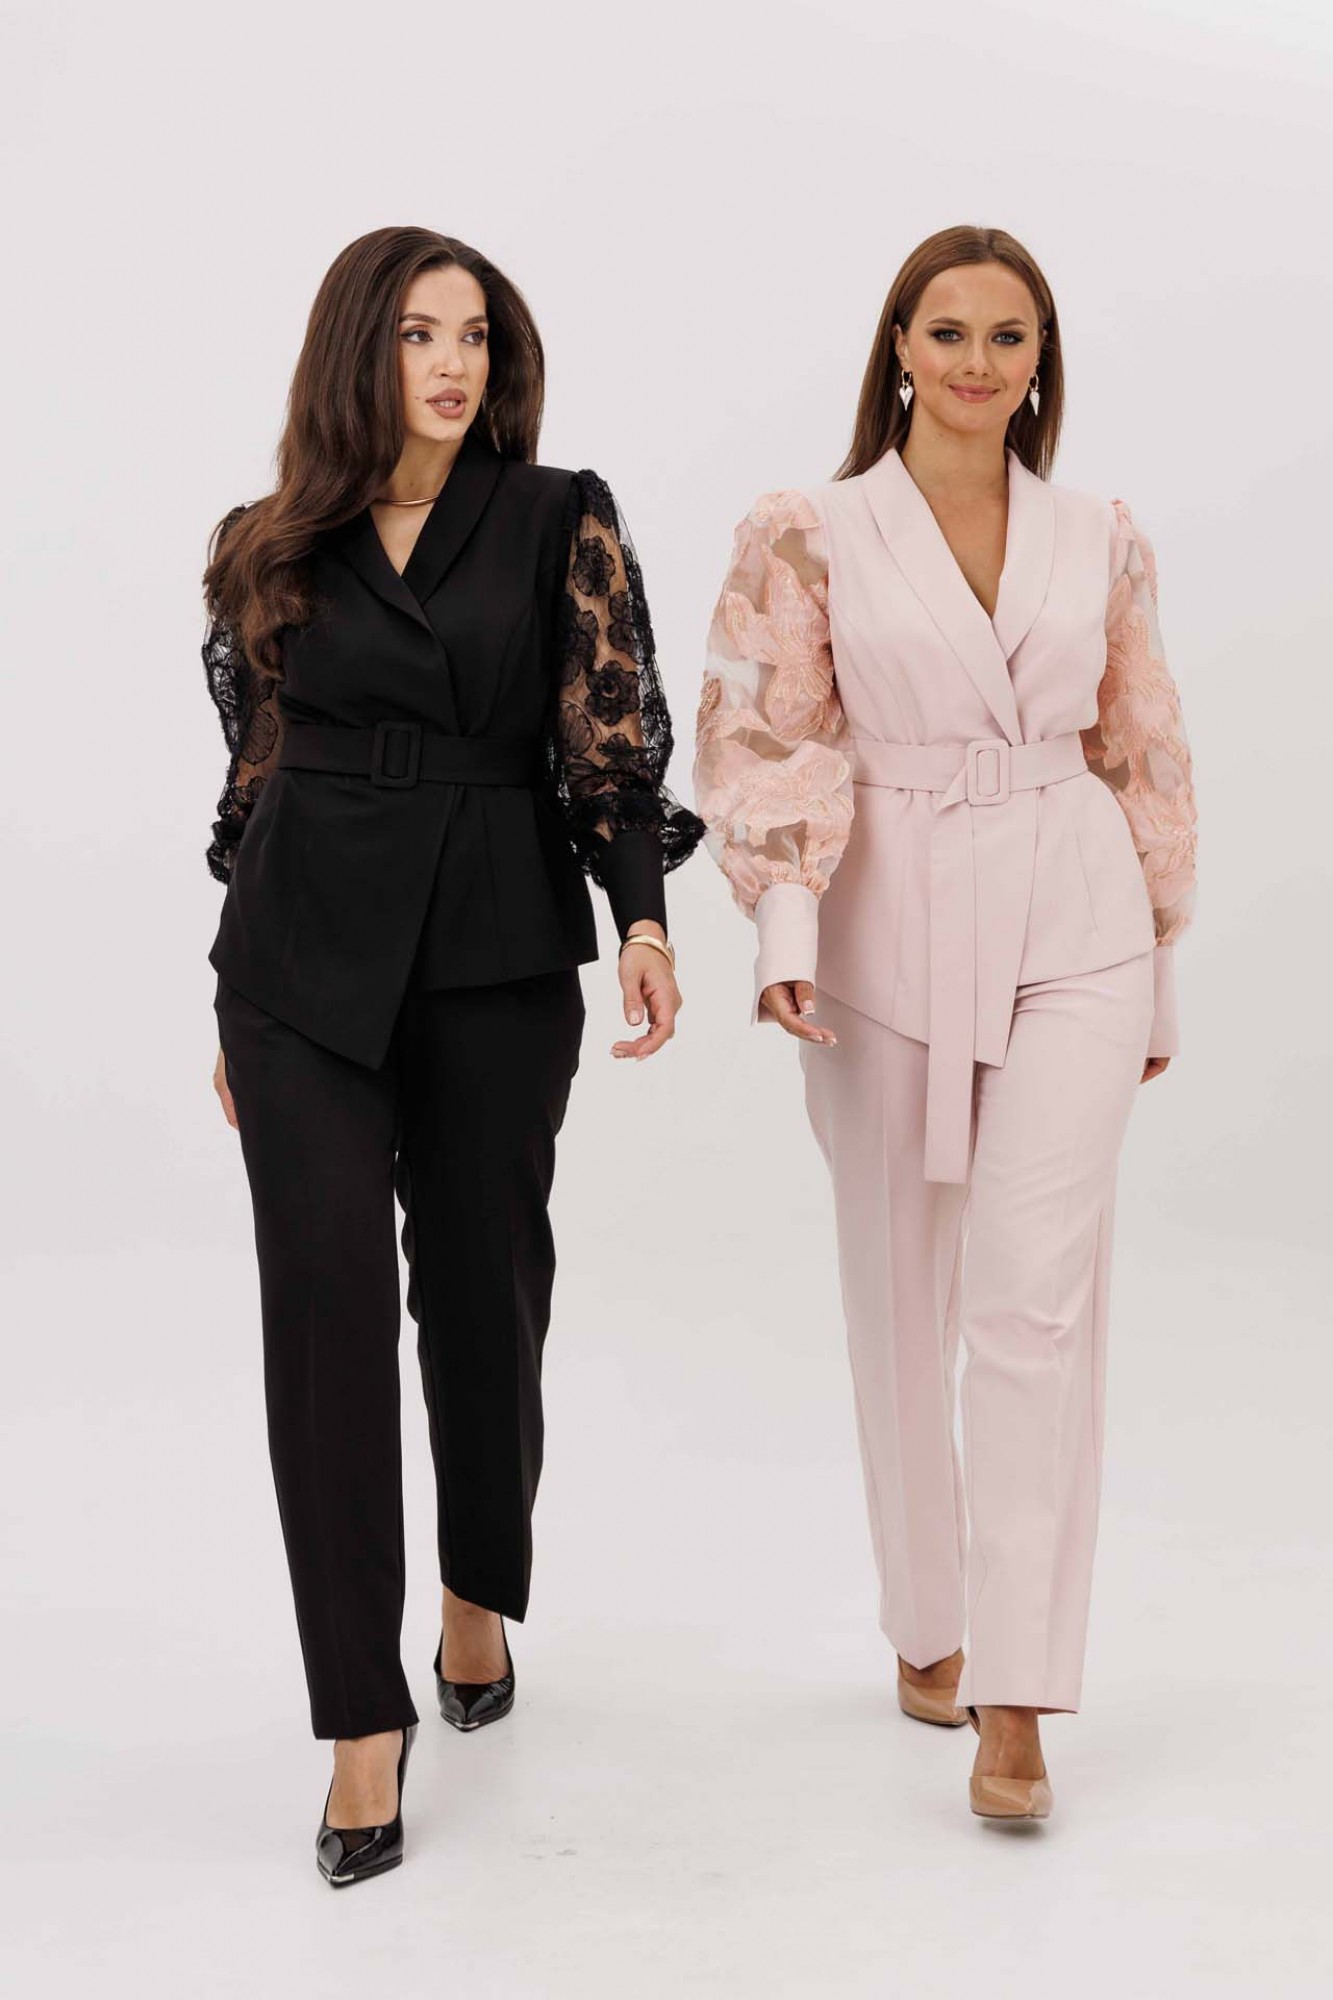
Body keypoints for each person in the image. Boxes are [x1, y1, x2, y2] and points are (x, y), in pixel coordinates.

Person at [202, 225, 704, 1884]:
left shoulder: (557, 514)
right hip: (300, 966)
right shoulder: (269, 540)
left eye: (474, 334)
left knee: (483, 1288)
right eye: (418, 332)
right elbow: (256, 776)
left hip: (493, 938)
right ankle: (362, 1721)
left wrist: (641, 918)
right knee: (324, 1316)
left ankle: (478, 1586)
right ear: (359, 351)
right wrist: (235, 991)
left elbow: (606, 740)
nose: (450, 362)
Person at [693, 225, 1197, 1822]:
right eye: (948, 331)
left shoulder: (1099, 536)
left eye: (1007, 336)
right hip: (881, 923)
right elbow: (764, 728)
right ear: (898, 349)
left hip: (1072, 916)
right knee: (899, 1287)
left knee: (1029, 1299)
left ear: (1038, 362)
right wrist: (784, 921)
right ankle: (928, 1618)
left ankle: (1018, 1694)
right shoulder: (809, 530)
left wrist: (1156, 956)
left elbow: (1139, 745)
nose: (978, 362)